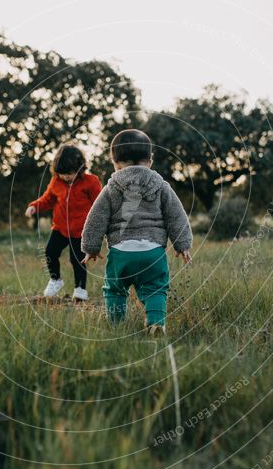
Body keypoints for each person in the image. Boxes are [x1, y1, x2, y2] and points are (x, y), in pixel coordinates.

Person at [81, 129, 192, 334]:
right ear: (149, 161)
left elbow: (96, 217)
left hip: (121, 252)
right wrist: (182, 244)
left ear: (115, 162)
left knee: (115, 289)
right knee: (156, 287)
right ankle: (156, 322)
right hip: (153, 252)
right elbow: (176, 215)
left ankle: (116, 326)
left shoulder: (112, 187)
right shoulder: (161, 185)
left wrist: (91, 247)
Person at [25, 143, 102, 301]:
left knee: (77, 260)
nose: (66, 177)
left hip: (80, 230)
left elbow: (99, 205)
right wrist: (34, 206)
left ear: (80, 169)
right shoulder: (56, 182)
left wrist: (99, 228)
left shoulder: (91, 182)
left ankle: (80, 289)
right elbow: (48, 199)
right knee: (50, 253)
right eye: (62, 173)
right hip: (60, 228)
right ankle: (55, 280)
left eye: (70, 173)